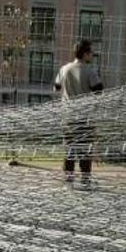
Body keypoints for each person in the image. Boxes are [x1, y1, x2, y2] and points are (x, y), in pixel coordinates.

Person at [54, 40, 103, 183]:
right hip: (85, 119)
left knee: (69, 150)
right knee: (85, 152)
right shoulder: (90, 70)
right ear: (85, 54)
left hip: (68, 117)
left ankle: (68, 179)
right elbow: (99, 91)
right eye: (91, 52)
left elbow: (56, 88)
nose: (92, 55)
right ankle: (85, 181)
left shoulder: (64, 69)